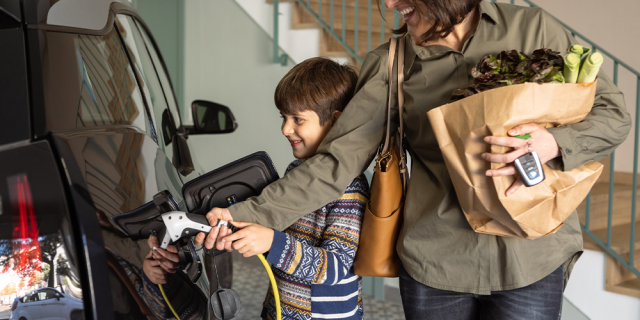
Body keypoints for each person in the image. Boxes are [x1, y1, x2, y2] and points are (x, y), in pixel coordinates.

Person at [196, 1, 631, 319]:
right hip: (436, 263)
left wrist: (551, 143)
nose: (390, 5)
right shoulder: (391, 63)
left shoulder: (533, 28)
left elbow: (613, 114)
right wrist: (243, 215)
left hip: (532, 254)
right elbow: (335, 162)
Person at [215, 57, 369, 320]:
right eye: (284, 117)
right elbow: (285, 246)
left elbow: (337, 268)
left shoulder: (349, 187)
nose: (286, 128)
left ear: (335, 122)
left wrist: (272, 242)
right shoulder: (296, 171)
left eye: (298, 119)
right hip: (282, 309)